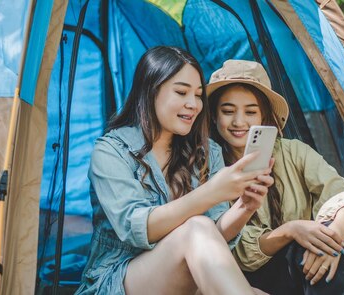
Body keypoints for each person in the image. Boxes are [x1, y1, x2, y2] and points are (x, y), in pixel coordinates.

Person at [75, 47, 274, 295]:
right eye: (181, 92)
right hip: (119, 281)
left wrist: (245, 206)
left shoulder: (206, 150)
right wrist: (212, 191)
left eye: (199, 95)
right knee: (197, 227)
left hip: (183, 280)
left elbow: (213, 238)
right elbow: (138, 228)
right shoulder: (111, 151)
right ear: (150, 92)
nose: (193, 104)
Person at [207, 59, 344, 294]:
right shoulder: (210, 166)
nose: (239, 121)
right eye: (228, 111)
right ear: (213, 116)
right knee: (301, 247)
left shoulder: (292, 151)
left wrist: (334, 238)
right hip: (257, 276)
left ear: (264, 116)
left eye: (250, 111)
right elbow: (241, 253)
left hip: (310, 263)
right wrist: (292, 230)